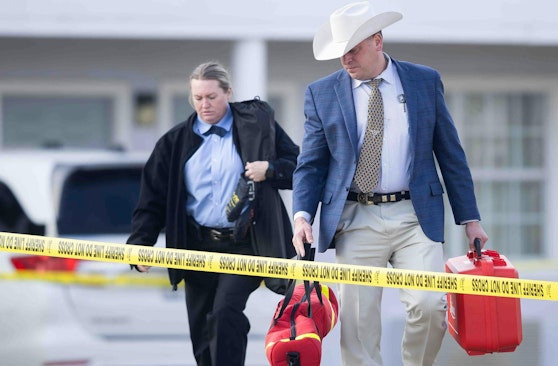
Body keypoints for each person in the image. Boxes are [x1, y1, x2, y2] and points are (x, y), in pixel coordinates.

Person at [291, 2, 489, 365]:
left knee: (430, 305)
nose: (346, 59)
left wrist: (469, 218)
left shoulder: (423, 81)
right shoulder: (321, 93)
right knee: (358, 325)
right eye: (340, 52)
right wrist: (302, 216)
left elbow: (450, 153)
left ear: (378, 41)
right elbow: (311, 163)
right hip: (356, 218)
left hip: (416, 215)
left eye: (353, 49)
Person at [126, 61, 299, 366]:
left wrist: (270, 170)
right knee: (203, 330)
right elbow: (152, 198)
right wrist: (141, 242)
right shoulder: (174, 142)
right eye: (198, 98)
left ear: (228, 93)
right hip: (196, 244)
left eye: (212, 97)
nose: (204, 105)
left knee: (225, 312)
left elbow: (298, 167)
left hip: (245, 243)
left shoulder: (257, 127)